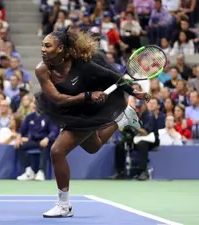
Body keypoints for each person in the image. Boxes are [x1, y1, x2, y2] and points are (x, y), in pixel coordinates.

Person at [34, 27, 151, 218]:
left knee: (57, 151)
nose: (43, 49)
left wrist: (134, 92)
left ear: (61, 48)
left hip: (92, 110)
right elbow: (57, 99)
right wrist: (88, 95)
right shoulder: (42, 70)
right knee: (93, 146)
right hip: (71, 107)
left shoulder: (82, 64)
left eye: (48, 45)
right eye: (42, 45)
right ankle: (123, 119)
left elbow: (113, 77)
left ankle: (64, 205)